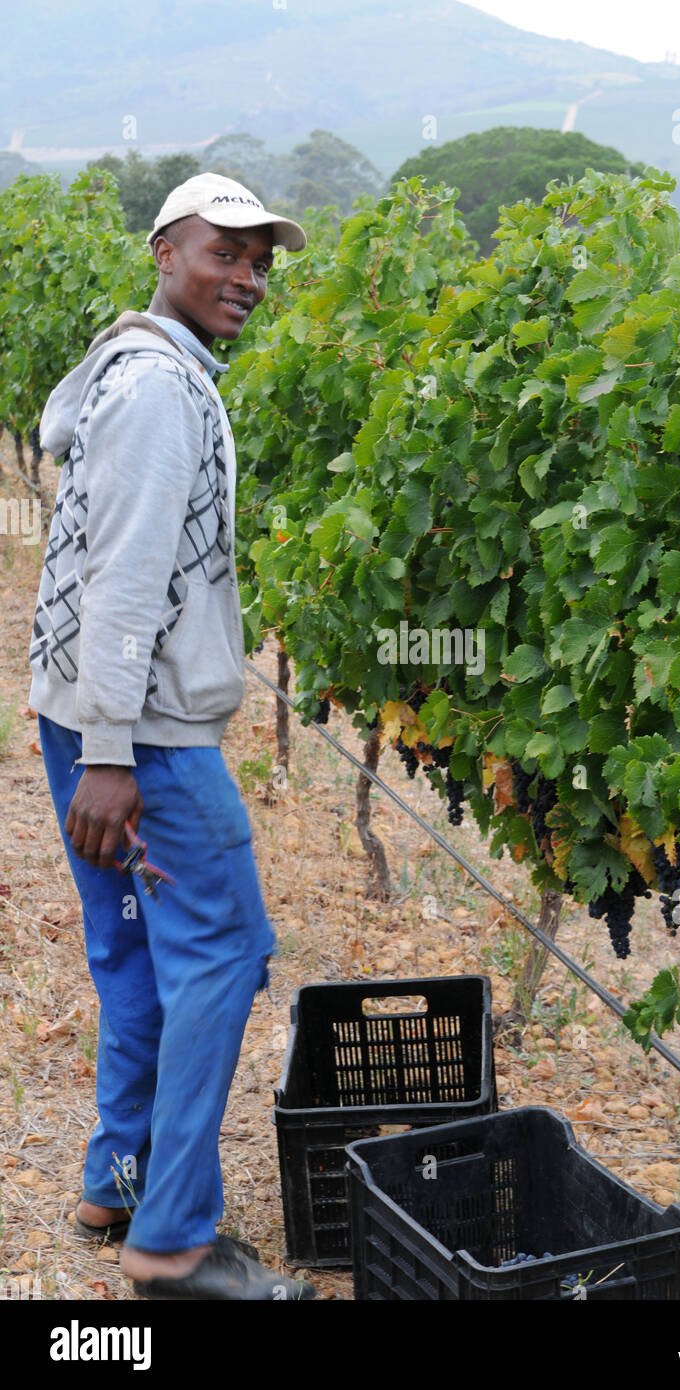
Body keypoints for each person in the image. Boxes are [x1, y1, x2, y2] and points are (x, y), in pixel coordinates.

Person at [27, 173, 315, 1300]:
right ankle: (174, 1242)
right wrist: (111, 753)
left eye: (260, 261)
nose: (245, 276)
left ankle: (118, 1181)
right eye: (223, 253)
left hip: (88, 718)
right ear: (163, 251)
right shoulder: (160, 391)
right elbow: (126, 580)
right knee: (227, 950)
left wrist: (90, 736)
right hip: (136, 737)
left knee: (136, 952)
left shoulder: (129, 367)